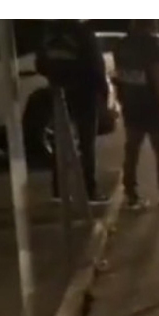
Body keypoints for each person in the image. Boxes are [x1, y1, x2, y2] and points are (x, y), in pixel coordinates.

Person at [36, 19, 108, 202]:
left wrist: (56, 77)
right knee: (86, 144)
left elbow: (40, 64)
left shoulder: (49, 34)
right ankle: (89, 190)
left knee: (60, 142)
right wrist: (103, 94)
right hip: (84, 93)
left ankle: (59, 189)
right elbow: (96, 66)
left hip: (59, 93)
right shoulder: (82, 32)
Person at [113, 20, 159, 209]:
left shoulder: (122, 46)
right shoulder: (153, 45)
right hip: (153, 108)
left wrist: (123, 100)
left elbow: (119, 77)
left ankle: (131, 193)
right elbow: (158, 79)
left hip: (132, 106)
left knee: (131, 152)